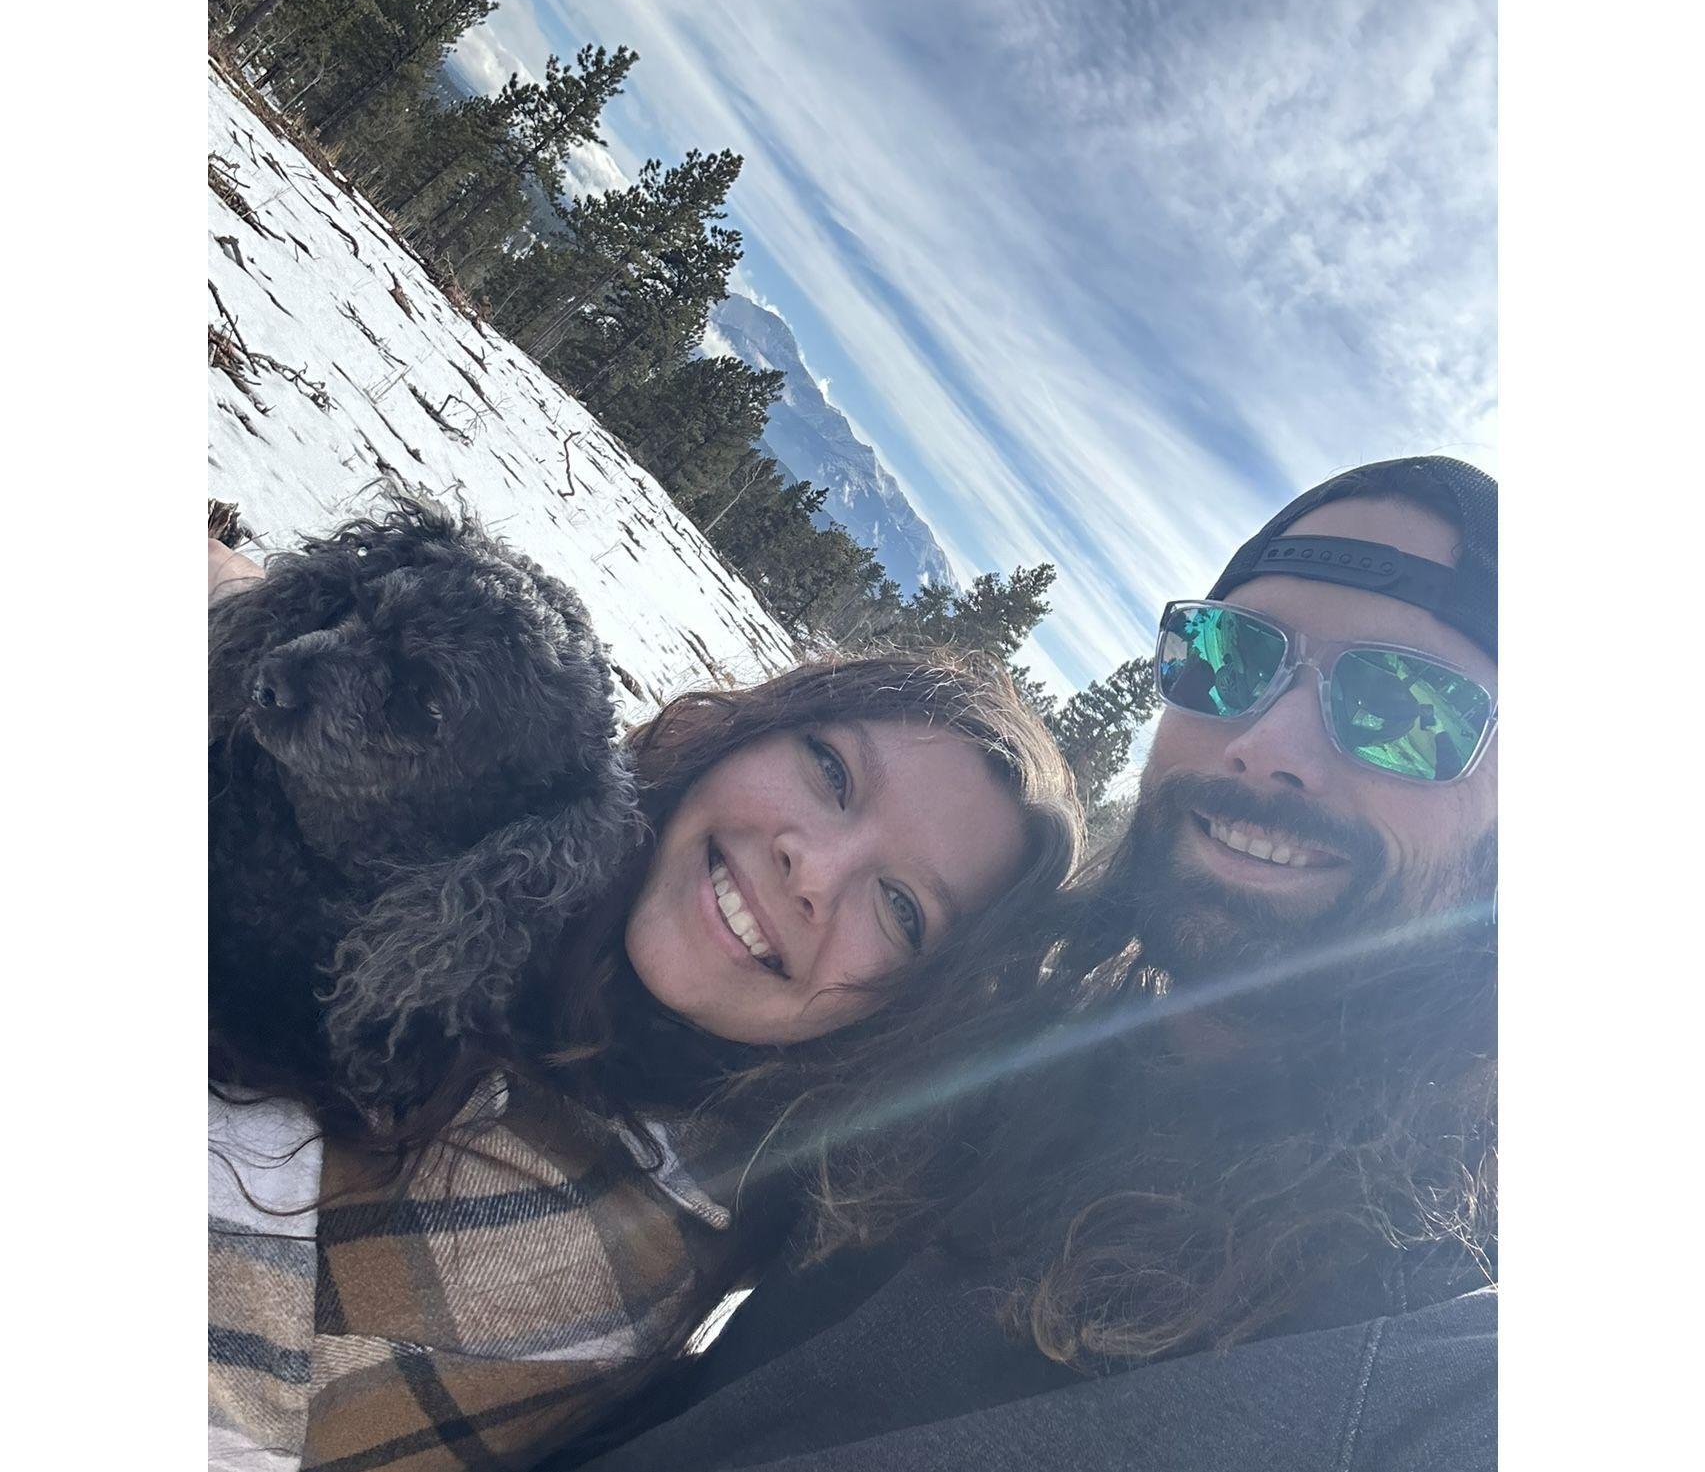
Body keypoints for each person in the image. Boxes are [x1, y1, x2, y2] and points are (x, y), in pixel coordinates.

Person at [564, 453, 1498, 1472]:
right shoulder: (978, 1037)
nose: (1264, 742)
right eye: (1226, 656)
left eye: (1406, 707)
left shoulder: (1440, 1344)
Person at [207, 539, 1085, 1472]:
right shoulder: (510, 836)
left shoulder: (595, 1237)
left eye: (901, 907)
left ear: (904, 1016)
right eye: (831, 771)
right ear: (745, 733)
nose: (814, 867)